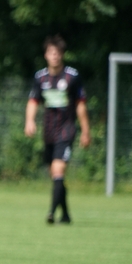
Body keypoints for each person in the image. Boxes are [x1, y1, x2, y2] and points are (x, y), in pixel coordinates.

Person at [24, 34, 90, 224]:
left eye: (58, 53)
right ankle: (66, 215)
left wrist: (86, 131)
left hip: (66, 131)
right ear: (46, 55)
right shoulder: (40, 77)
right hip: (48, 132)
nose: (55, 56)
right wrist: (29, 121)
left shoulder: (72, 77)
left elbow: (80, 105)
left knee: (58, 170)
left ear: (62, 54)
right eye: (51, 52)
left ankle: (51, 213)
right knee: (55, 175)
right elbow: (33, 101)